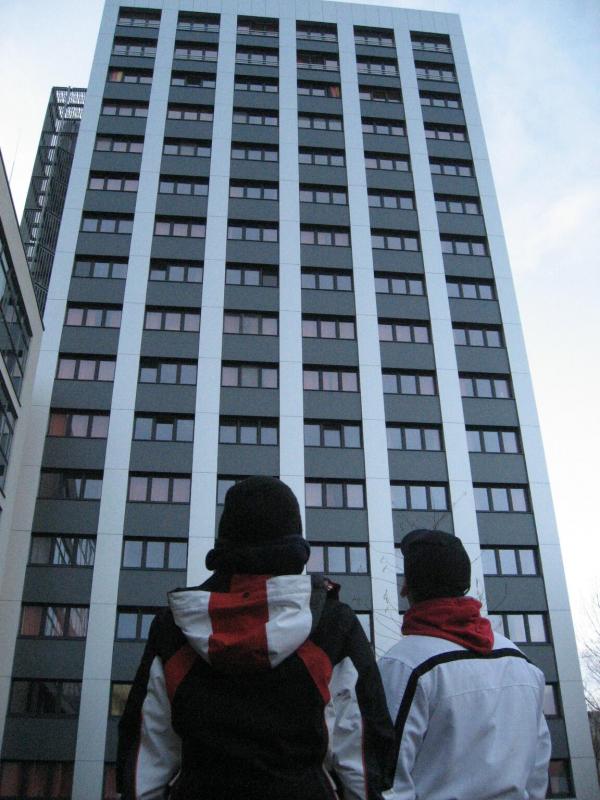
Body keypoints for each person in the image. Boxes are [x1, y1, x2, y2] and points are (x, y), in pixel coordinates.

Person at [117, 476, 394, 800]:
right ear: (296, 547)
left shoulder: (174, 627)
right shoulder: (333, 624)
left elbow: (145, 760)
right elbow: (362, 754)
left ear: (224, 542)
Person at [378, 528, 551, 800]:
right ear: (465, 584)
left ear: (407, 588)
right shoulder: (521, 661)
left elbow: (386, 779)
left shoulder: (403, 665)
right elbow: (538, 766)